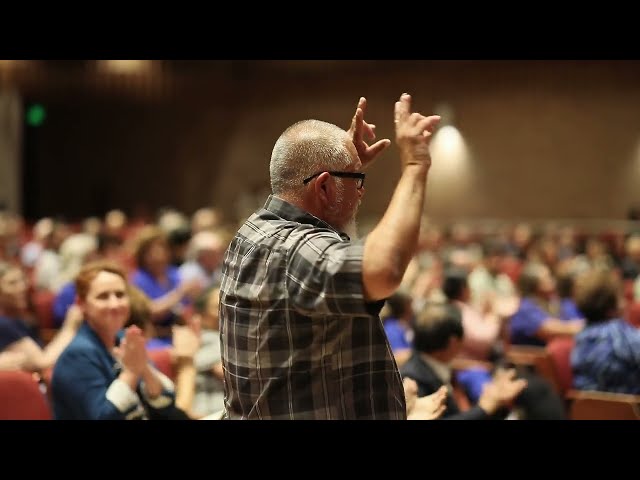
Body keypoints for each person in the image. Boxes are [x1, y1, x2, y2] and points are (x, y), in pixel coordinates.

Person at [220, 93, 441, 419]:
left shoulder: (254, 232)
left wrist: (343, 173)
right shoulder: (294, 250)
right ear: (323, 188)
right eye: (358, 180)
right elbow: (384, 269)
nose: (362, 191)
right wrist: (414, 166)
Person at [51, 260, 186, 420]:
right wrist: (131, 372)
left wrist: (144, 369)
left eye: (120, 295)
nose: (114, 304)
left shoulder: (124, 339)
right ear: (82, 304)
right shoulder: (76, 356)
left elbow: (167, 403)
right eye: (103, 297)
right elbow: (103, 417)